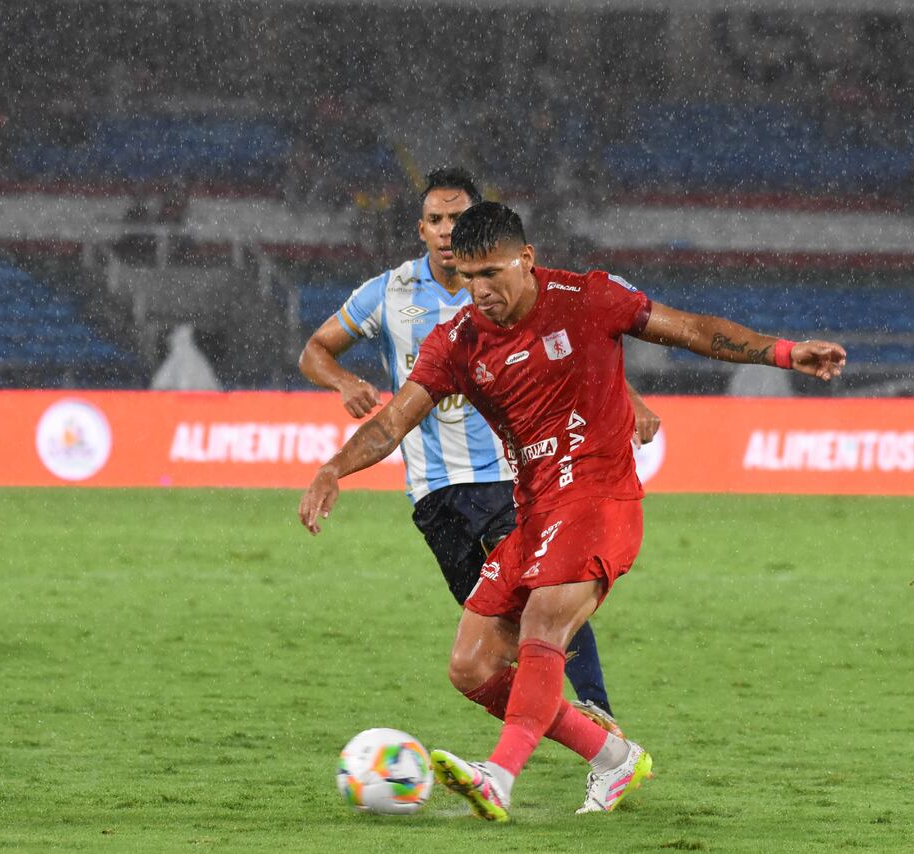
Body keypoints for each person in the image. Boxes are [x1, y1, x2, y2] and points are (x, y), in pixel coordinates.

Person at [297, 202, 845, 821]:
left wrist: (783, 352)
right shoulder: (457, 341)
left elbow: (691, 329)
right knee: (471, 666)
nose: (480, 291)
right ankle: (611, 757)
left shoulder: (588, 297)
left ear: (526, 260)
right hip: (533, 511)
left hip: (600, 498)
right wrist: (332, 468)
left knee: (541, 627)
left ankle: (498, 777)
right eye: (469, 277)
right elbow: (393, 422)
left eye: (492, 274)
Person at [298, 169, 658, 733]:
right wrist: (344, 383)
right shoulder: (386, 293)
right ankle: (585, 737)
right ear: (420, 229)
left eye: (458, 219)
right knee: (493, 636)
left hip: (512, 473)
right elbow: (315, 350)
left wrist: (627, 396)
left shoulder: (513, 283)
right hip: (435, 491)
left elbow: (572, 348)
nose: (447, 231)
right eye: (436, 221)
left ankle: (596, 707)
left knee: (549, 583)